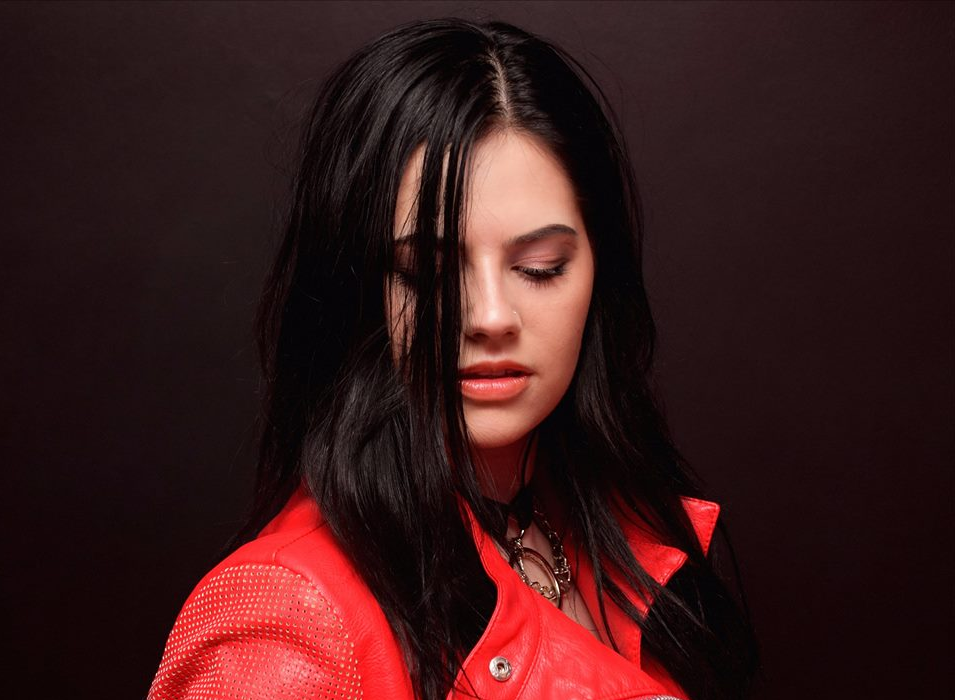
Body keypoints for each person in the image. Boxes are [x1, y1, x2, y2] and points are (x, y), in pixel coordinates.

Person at [148, 18, 757, 700]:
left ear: (598, 276)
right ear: (357, 290)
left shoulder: (626, 537)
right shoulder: (283, 625)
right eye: (427, 274)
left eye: (539, 267)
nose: (490, 317)